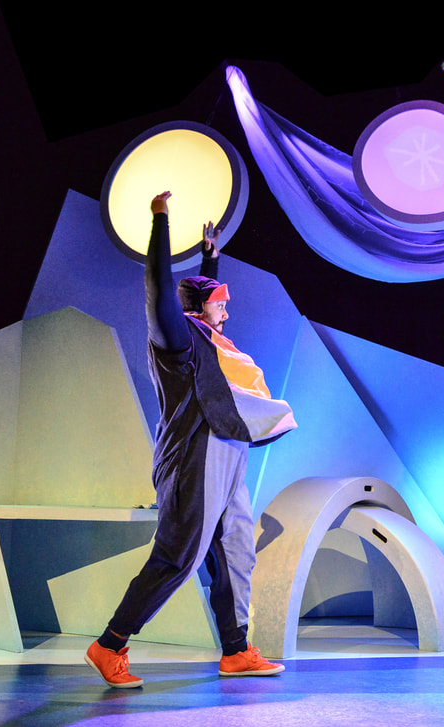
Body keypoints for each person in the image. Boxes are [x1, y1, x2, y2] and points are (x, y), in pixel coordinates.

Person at [84, 191, 297, 687]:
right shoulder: (177, 338)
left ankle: (236, 650)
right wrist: (160, 221)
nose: (227, 312)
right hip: (196, 458)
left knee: (236, 550)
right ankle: (109, 644)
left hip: (228, 453)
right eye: (220, 304)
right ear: (200, 309)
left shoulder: (211, 336)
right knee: (179, 556)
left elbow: (201, 299)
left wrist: (210, 259)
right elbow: (161, 289)